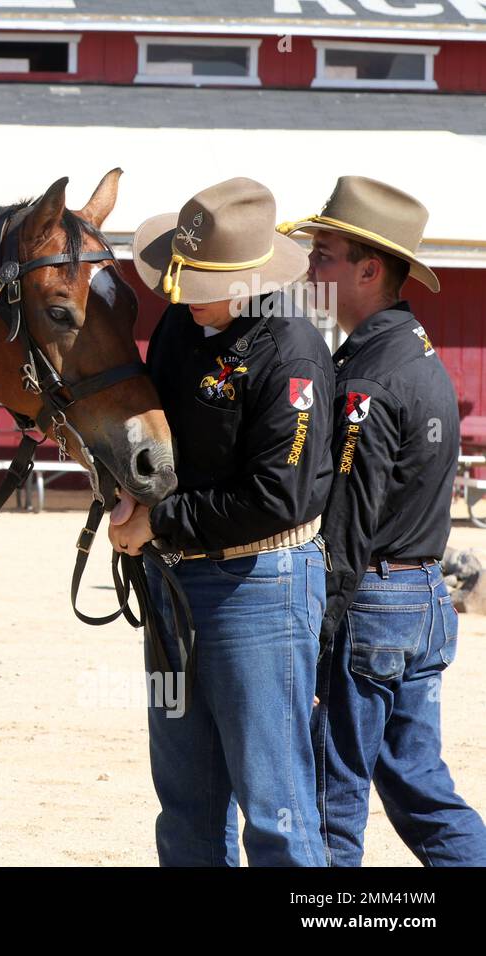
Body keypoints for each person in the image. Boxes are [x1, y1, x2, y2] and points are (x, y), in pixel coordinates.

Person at [109, 177, 334, 866]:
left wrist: (161, 522)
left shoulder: (291, 354)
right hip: (178, 586)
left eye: (196, 281)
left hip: (259, 588)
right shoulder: (183, 324)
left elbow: (277, 497)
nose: (175, 294)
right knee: (185, 808)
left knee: (274, 809)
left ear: (247, 283)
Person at [281, 176, 486, 866]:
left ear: (369, 269)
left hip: (372, 601)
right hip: (423, 592)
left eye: (324, 255)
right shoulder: (414, 351)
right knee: (418, 785)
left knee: (330, 801)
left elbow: (347, 522)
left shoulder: (368, 375)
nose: (311, 267)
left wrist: (317, 630)